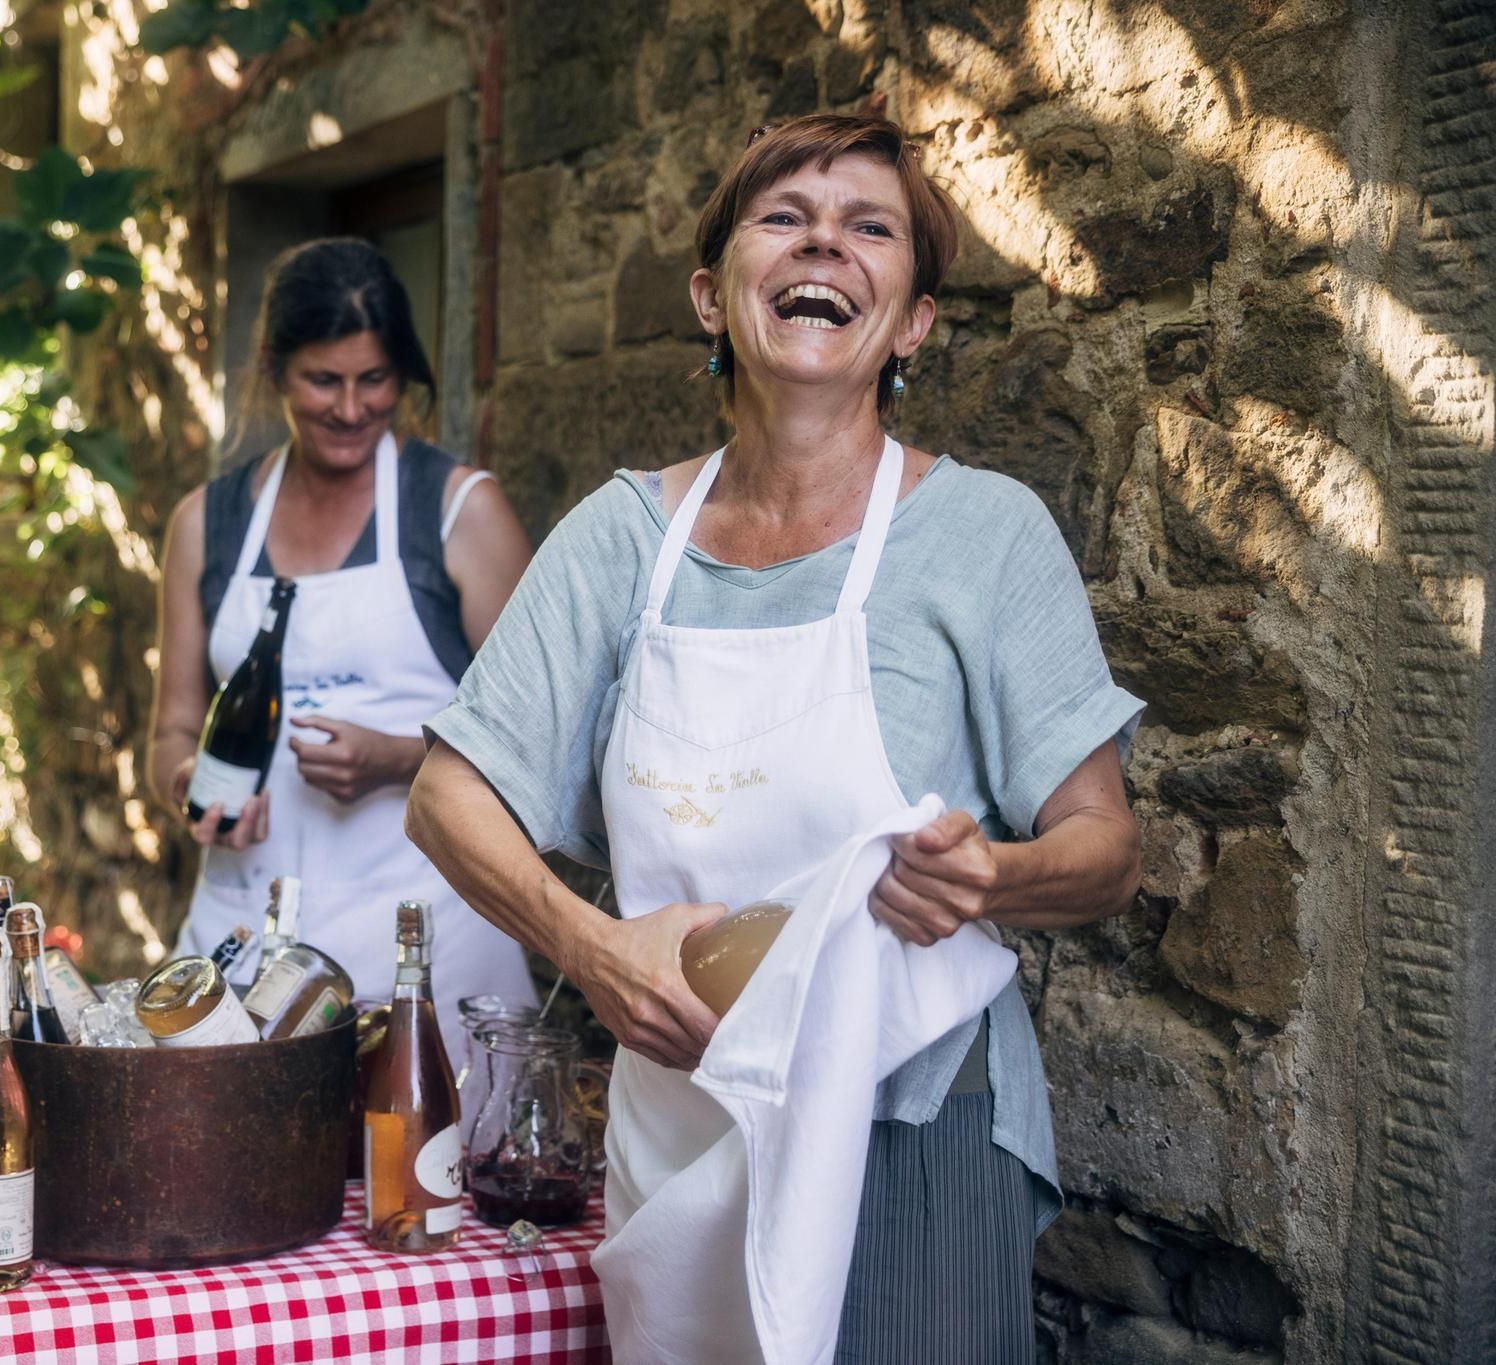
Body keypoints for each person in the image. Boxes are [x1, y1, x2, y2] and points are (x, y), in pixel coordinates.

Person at [407, 115, 1144, 1361]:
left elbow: (1105, 849)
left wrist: (991, 877)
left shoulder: (985, 534)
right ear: (710, 295)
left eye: (870, 229)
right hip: (682, 1128)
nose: (825, 244)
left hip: (907, 1120)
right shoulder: (616, 542)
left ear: (909, 322)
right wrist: (592, 952)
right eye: (784, 218)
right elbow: (444, 797)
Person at [149, 237, 537, 1051]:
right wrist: (195, 787)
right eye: (324, 380)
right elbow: (172, 731)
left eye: (377, 380)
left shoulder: (459, 511)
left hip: (430, 944)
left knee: (425, 1170)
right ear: (273, 367)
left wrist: (398, 759)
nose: (353, 408)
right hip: (246, 944)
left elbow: (539, 732)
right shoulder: (206, 524)